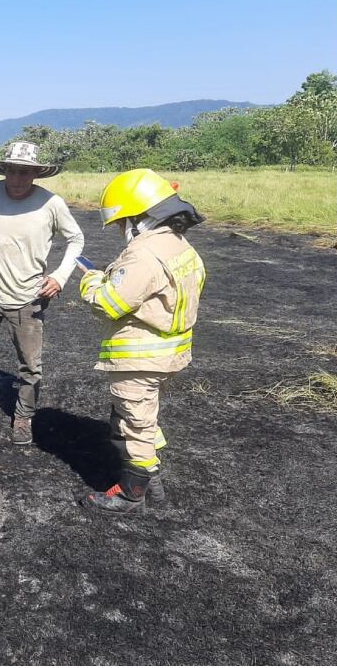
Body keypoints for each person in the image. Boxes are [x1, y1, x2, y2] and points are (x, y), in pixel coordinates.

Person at [78, 169, 206, 514]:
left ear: (139, 217)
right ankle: (154, 481)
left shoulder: (143, 254)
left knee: (134, 421)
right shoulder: (181, 247)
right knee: (143, 417)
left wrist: (90, 282)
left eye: (121, 223)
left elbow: (110, 305)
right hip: (170, 356)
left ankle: (132, 493)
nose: (121, 230)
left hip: (140, 358)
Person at [0, 141, 84, 444]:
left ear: (36, 173)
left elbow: (76, 239)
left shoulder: (51, 204)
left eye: (25, 173)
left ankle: (23, 417)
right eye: (12, 171)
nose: (17, 180)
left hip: (29, 297)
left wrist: (61, 276)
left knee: (31, 366)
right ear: (4, 170)